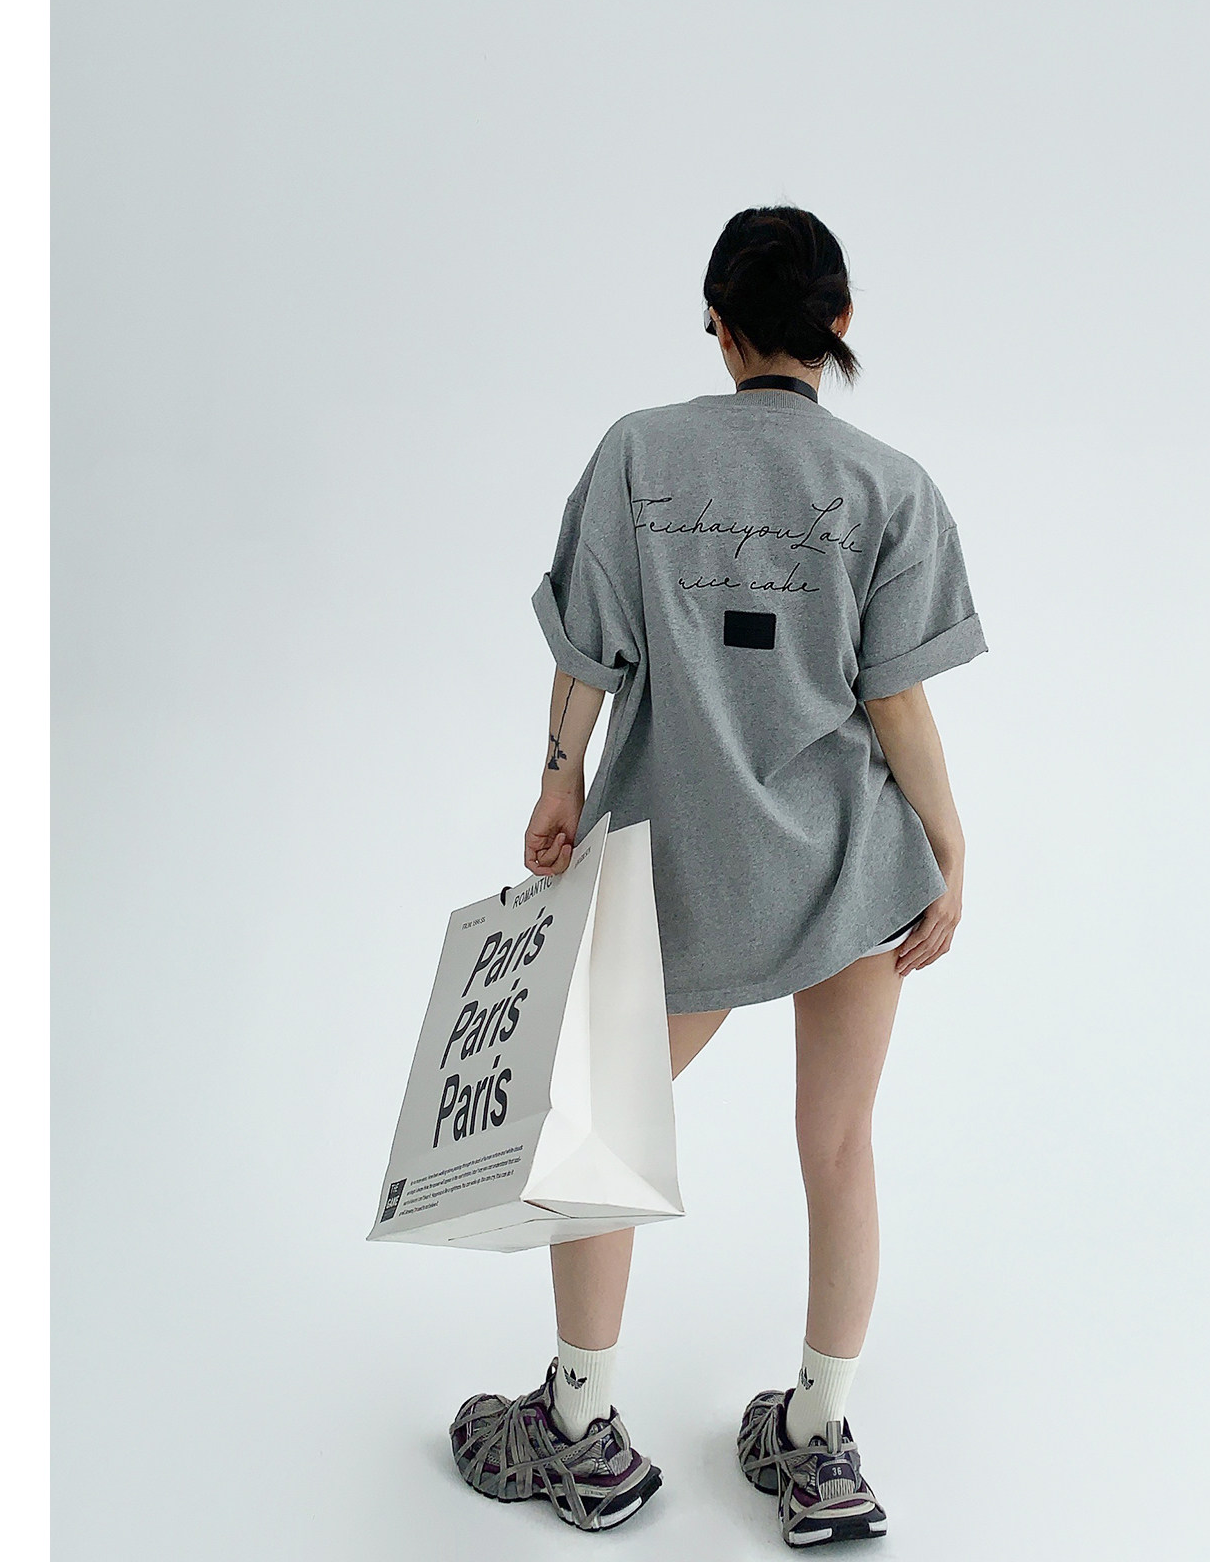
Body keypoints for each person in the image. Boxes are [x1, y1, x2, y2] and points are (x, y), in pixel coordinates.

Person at [448, 206, 985, 1545]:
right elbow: (898, 703)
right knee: (840, 1145)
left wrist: (559, 777)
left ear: (717, 324)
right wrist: (949, 846)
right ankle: (818, 1441)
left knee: (600, 1127)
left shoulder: (640, 454)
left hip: (681, 866)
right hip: (851, 868)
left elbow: (585, 647)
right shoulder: (892, 488)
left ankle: (581, 1428)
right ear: (840, 325)